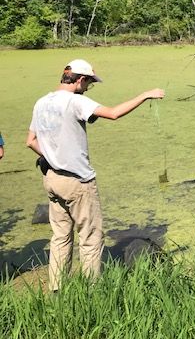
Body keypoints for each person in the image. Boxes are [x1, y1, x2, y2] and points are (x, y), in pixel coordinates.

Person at [26, 59, 165, 291]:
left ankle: (56, 290)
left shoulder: (42, 102)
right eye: (89, 83)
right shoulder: (75, 101)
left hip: (51, 179)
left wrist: (52, 155)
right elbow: (112, 114)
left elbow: (30, 141)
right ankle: (92, 294)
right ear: (80, 80)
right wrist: (145, 95)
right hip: (77, 182)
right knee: (90, 239)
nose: (89, 88)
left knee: (60, 238)